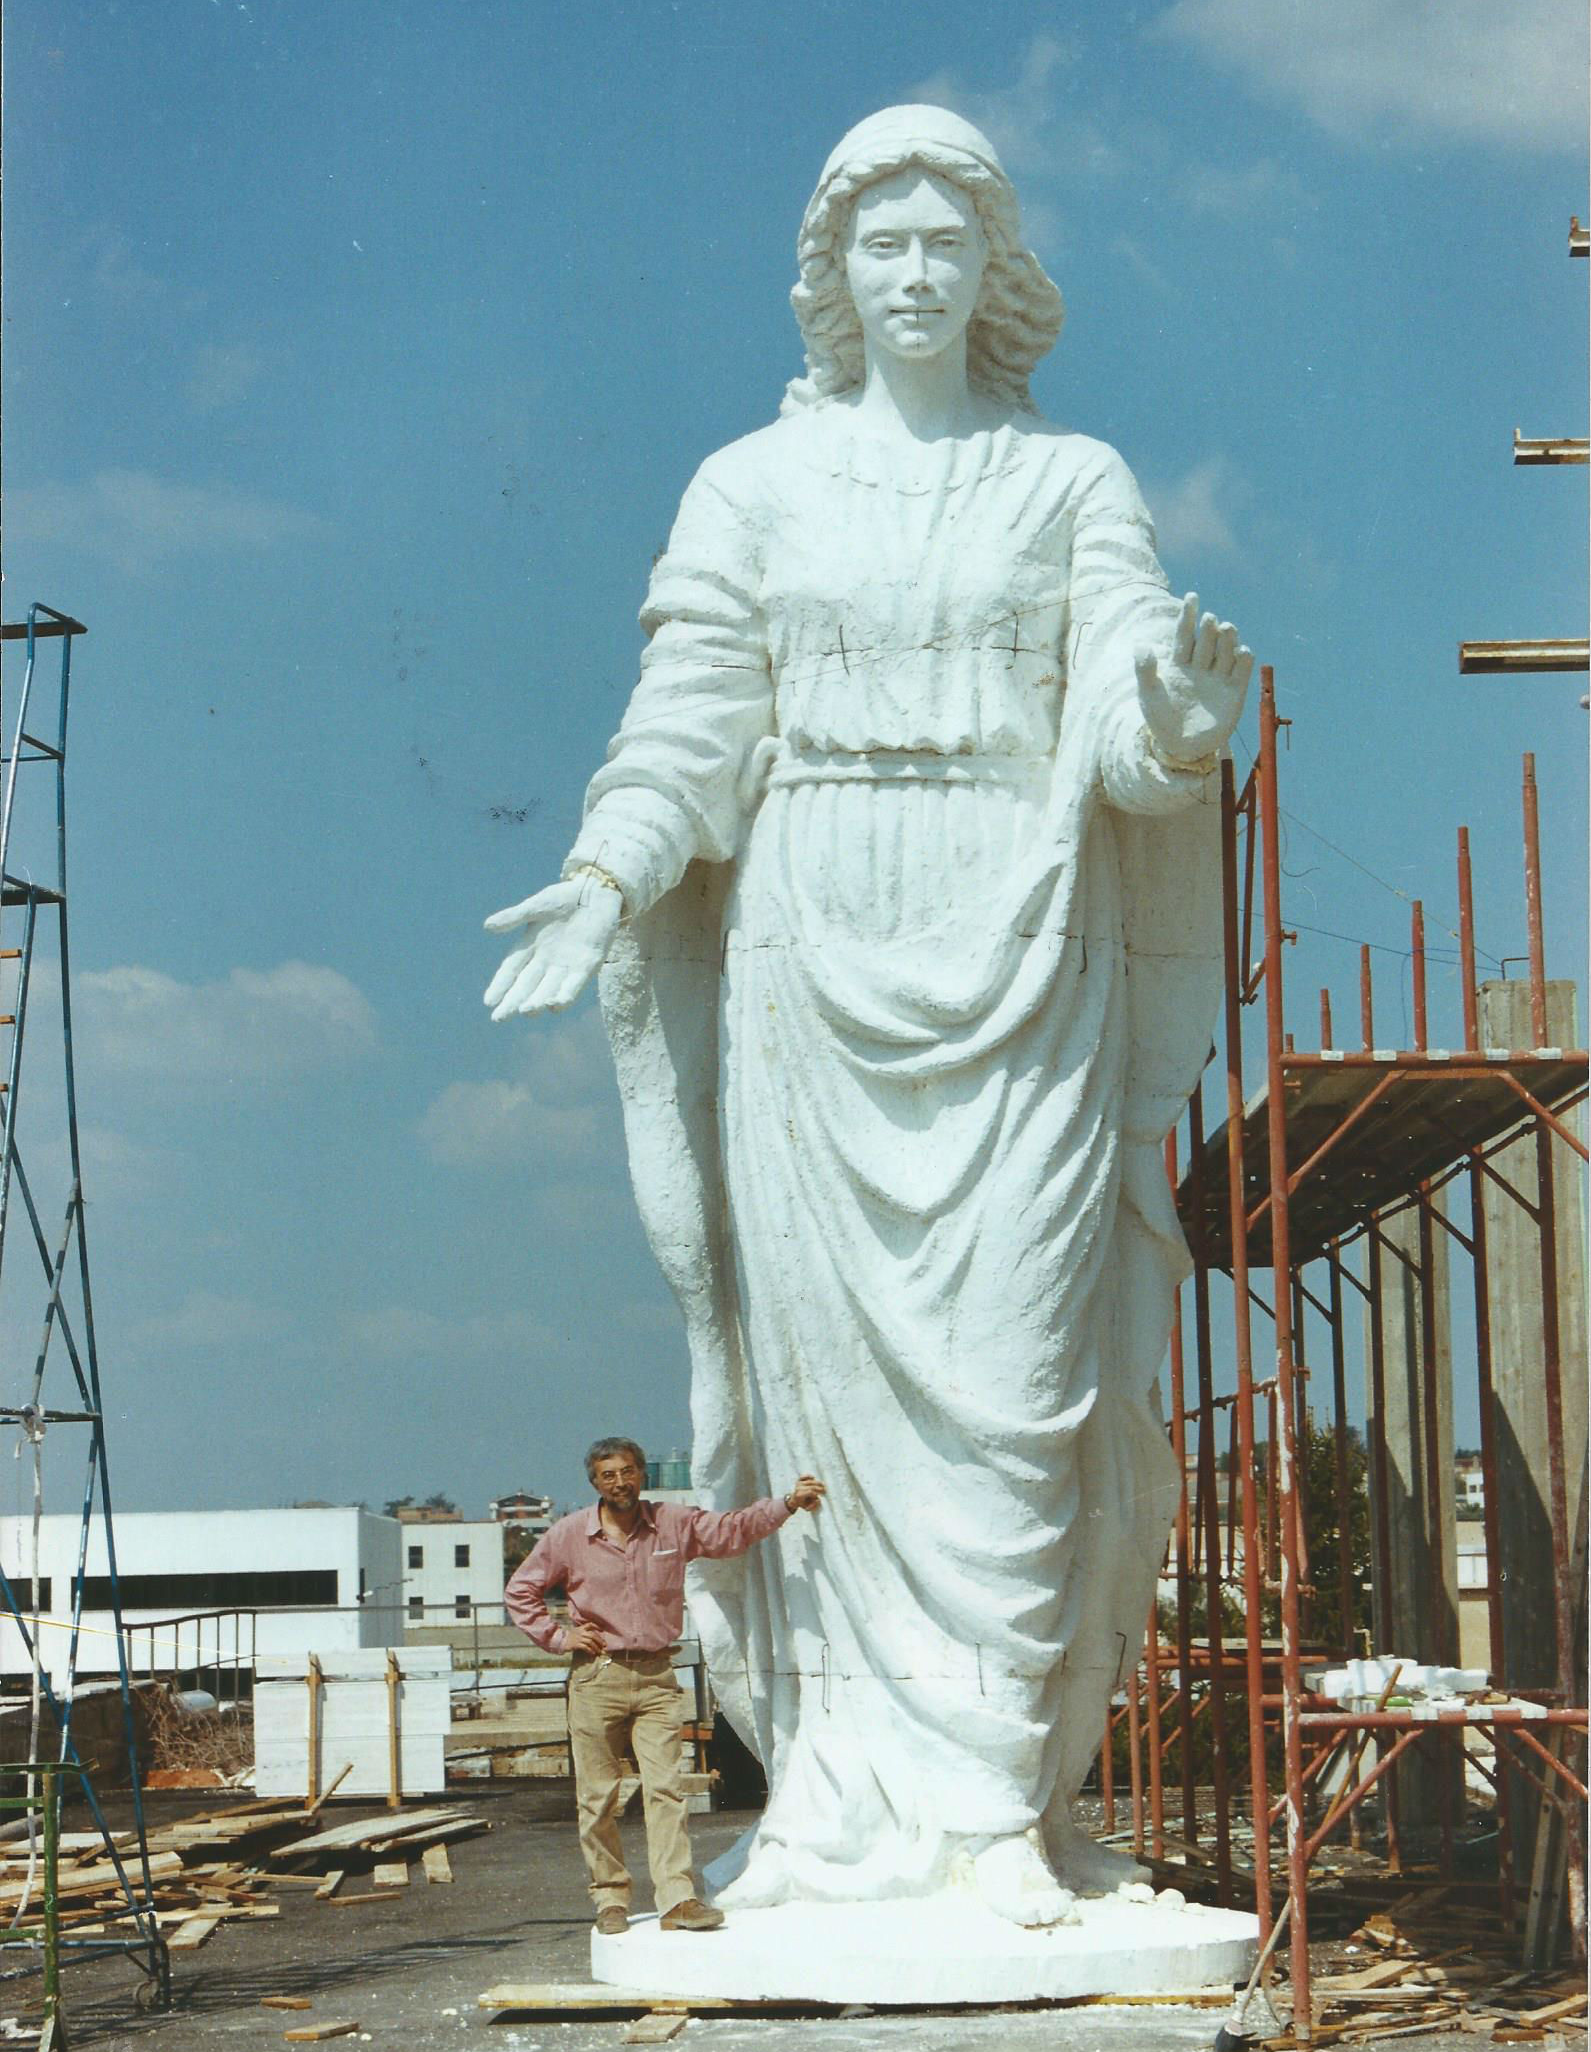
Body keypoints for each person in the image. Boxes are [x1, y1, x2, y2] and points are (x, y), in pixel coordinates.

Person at [485, 106, 1250, 1931]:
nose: (914, 279)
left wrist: (1179, 724)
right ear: (832, 276)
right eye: (880, 249)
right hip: (811, 946)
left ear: (1000, 273)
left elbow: (1135, 694)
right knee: (821, 1401)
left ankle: (996, 1809)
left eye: (946, 248)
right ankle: (834, 1793)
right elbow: (687, 717)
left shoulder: (1074, 481)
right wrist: (605, 872)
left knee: (1015, 1389)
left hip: (1024, 929)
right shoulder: (749, 485)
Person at [505, 1436, 825, 1933]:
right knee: (597, 1797)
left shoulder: (673, 1523)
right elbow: (520, 1590)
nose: (620, 1482)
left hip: (657, 1677)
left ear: (642, 1474)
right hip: (598, 1677)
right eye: (609, 1474)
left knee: (666, 1791)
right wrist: (558, 1637)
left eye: (628, 1471)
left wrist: (785, 1504)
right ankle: (610, 1898)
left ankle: (677, 1900)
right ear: (595, 1483)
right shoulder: (569, 1535)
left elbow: (730, 1532)